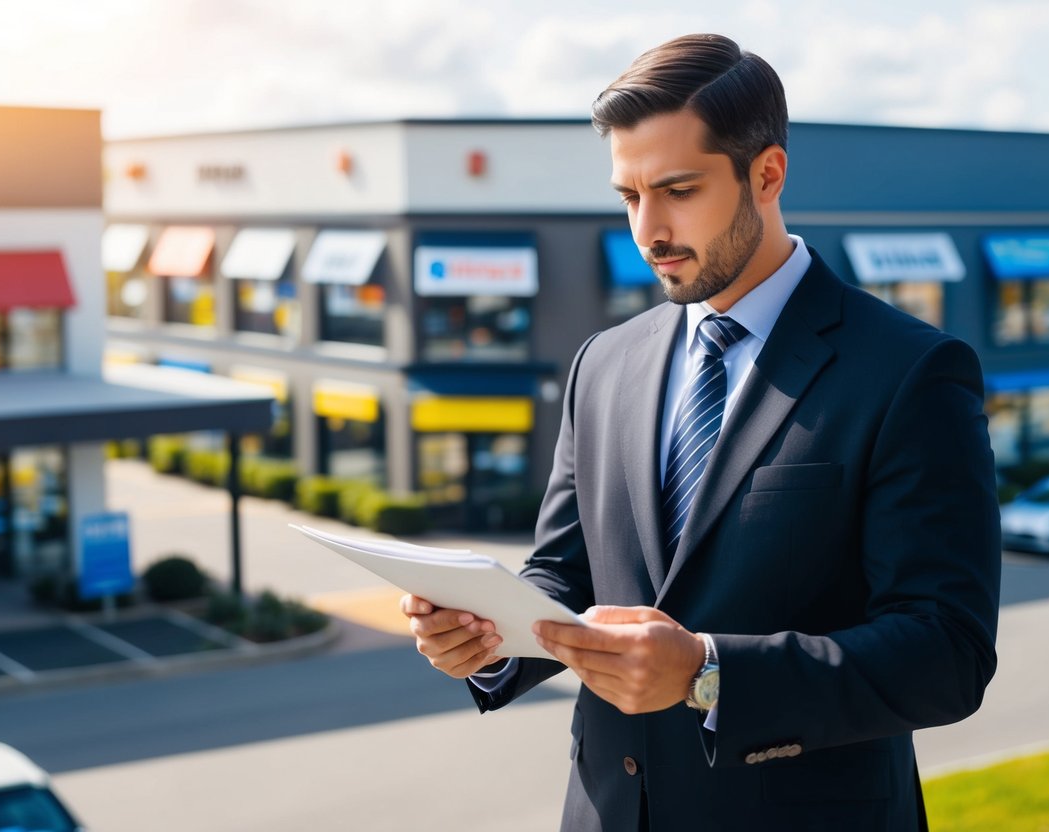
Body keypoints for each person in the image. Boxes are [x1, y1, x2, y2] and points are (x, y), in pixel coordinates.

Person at [402, 33, 1000, 831]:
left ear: (767, 174)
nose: (647, 230)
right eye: (628, 196)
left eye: (677, 189)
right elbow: (564, 572)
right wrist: (490, 637)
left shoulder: (909, 371)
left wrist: (706, 674)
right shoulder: (602, 363)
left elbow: (944, 655)